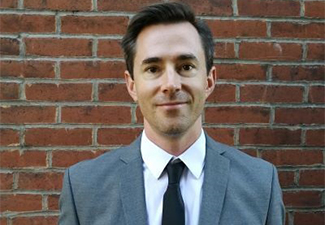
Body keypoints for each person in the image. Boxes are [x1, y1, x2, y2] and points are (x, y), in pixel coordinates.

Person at [59, 2, 285, 225]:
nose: (171, 84)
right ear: (132, 85)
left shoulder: (260, 183)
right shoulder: (84, 187)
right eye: (153, 69)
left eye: (186, 66)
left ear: (209, 81)